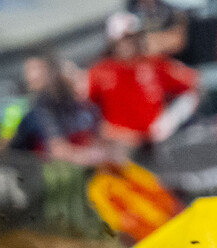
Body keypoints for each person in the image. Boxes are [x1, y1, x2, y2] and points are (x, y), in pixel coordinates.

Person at [85, 11, 199, 148]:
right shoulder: (99, 71)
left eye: (133, 38)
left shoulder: (154, 64)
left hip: (155, 144)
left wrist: (170, 120)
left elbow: (192, 86)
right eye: (124, 38)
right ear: (113, 41)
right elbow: (86, 109)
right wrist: (107, 131)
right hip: (119, 147)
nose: (129, 44)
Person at [8, 53, 104, 161]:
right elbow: (58, 150)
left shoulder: (88, 104)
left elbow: (100, 137)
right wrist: (93, 156)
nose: (32, 76)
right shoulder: (42, 104)